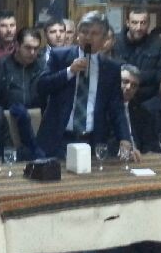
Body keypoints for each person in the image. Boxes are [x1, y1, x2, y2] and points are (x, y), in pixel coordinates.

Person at [36, 11, 135, 159]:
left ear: (104, 39)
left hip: (92, 141)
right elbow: (41, 86)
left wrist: (125, 138)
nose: (88, 37)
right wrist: (69, 71)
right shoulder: (59, 56)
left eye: (94, 33)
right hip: (59, 139)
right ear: (77, 34)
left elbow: (117, 108)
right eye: (84, 32)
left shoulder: (111, 68)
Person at [115, 7, 161, 103]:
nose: (139, 27)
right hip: (118, 99)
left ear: (148, 24)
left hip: (149, 102)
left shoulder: (159, 44)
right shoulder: (115, 42)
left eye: (143, 23)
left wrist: (134, 77)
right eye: (134, 22)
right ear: (127, 23)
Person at [0, 27, 46, 110]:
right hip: (7, 114)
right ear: (17, 46)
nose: (32, 52)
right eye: (28, 48)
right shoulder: (0, 66)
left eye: (36, 48)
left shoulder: (43, 67)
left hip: (38, 115)